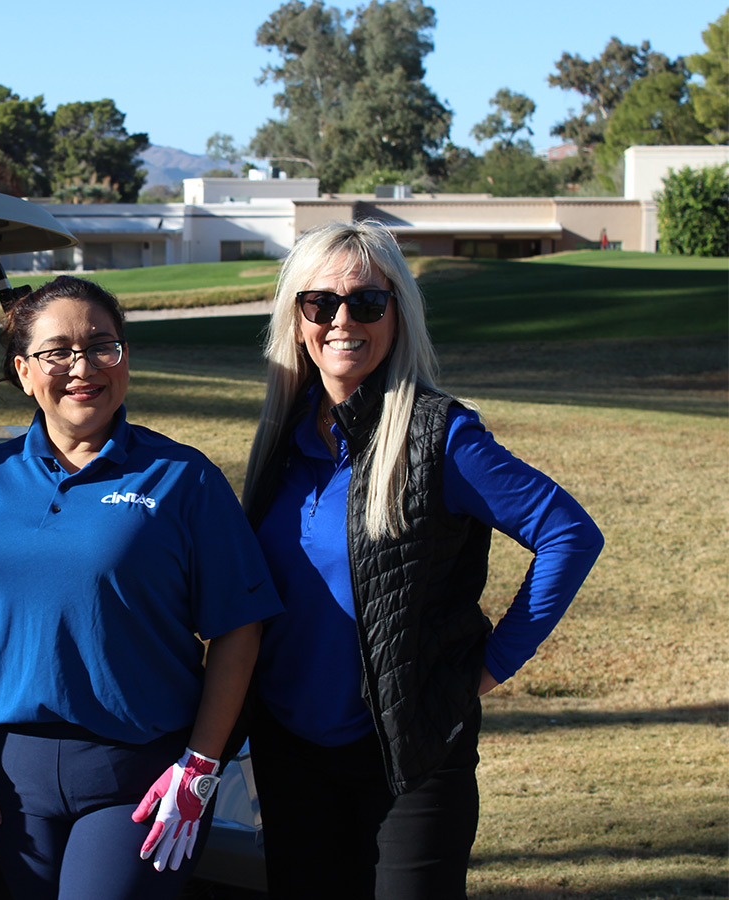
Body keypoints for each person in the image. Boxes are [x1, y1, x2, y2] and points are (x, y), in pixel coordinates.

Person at [241, 221, 604, 900]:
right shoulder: (281, 443)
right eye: (320, 303)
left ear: (397, 316)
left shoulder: (442, 435)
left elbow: (568, 532)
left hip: (409, 758)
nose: (343, 320)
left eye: (368, 303)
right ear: (296, 320)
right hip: (290, 754)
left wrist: (488, 669)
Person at [0, 275, 282, 900]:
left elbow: (238, 629)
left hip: (137, 777)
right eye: (57, 351)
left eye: (102, 346)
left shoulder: (183, 479)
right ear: (24, 372)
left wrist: (199, 767)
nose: (82, 366)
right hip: (8, 778)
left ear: (125, 361)